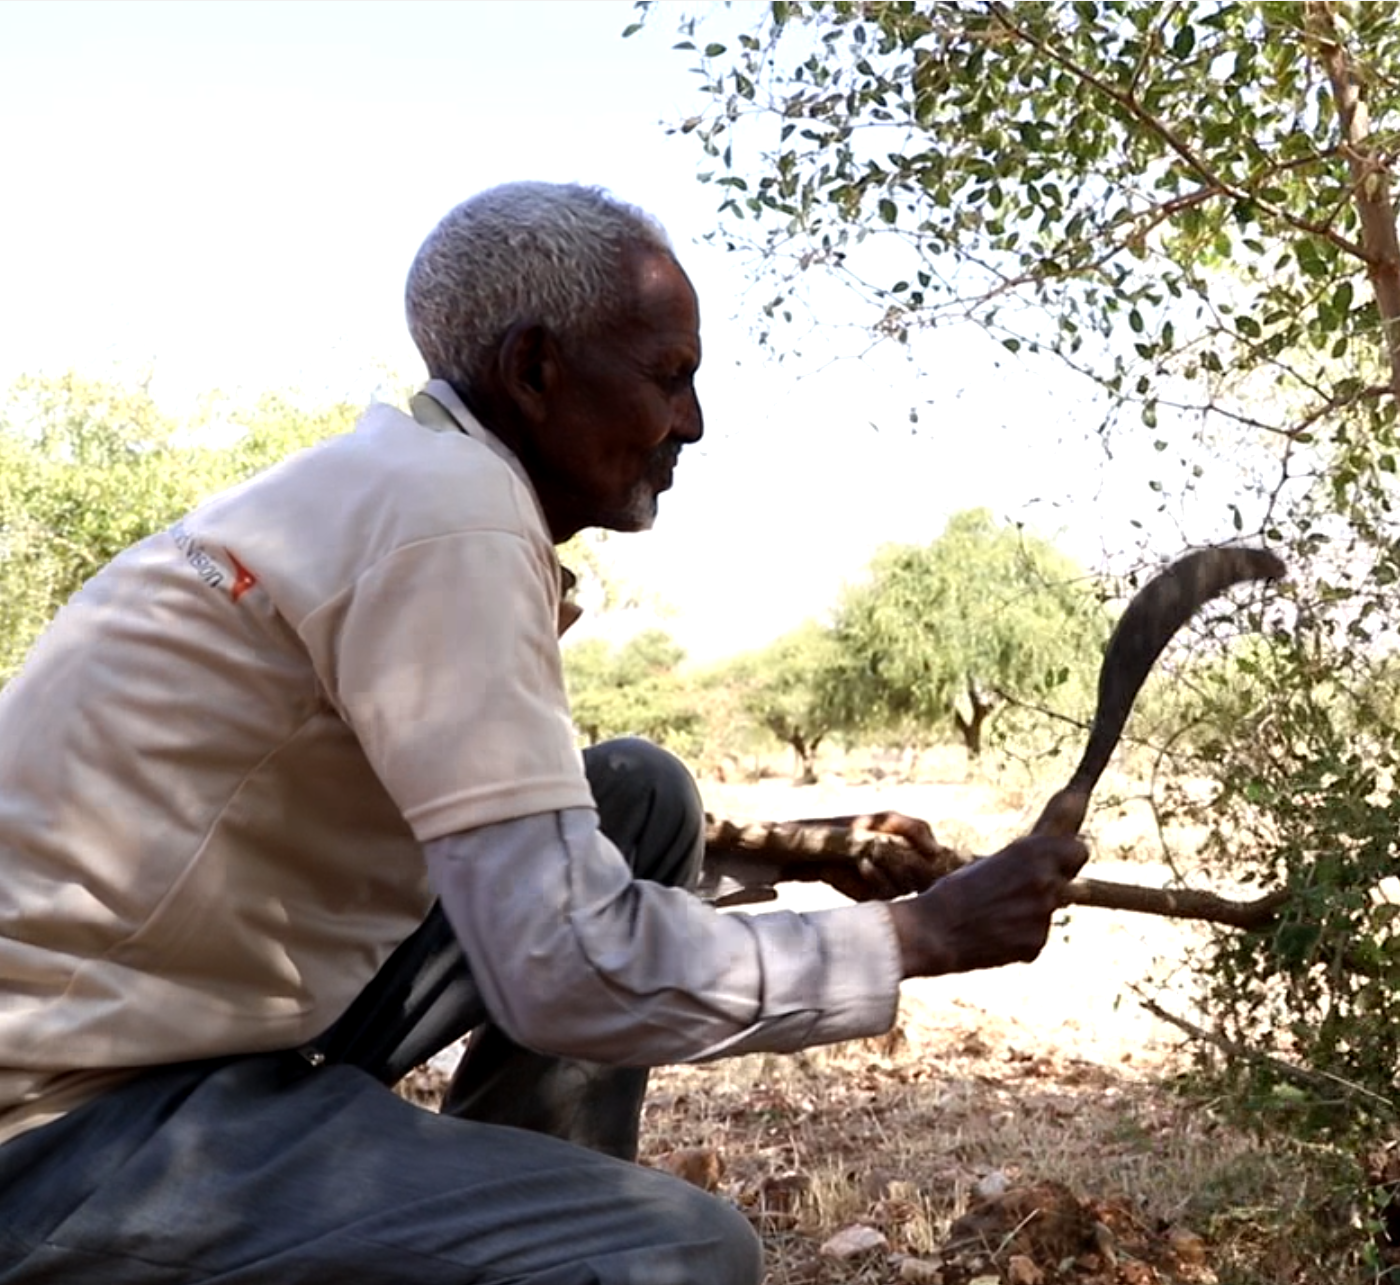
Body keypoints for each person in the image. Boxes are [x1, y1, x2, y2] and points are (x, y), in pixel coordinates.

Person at [0, 181, 1087, 1284]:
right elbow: (563, 966)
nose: (693, 423)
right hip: (66, 1125)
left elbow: (525, 835)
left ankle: (530, 1215)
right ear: (533, 369)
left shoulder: (402, 485)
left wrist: (803, 849)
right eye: (669, 377)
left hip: (196, 1029)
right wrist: (924, 934)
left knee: (638, 798)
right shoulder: (451, 514)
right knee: (679, 1252)